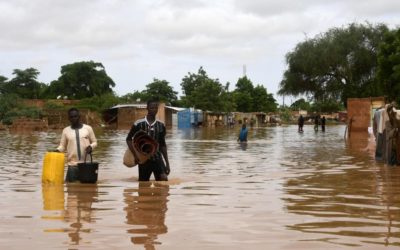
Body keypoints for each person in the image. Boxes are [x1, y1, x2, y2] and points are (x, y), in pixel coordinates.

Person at [126, 99, 170, 181]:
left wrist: (167, 163)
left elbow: (163, 144)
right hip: (143, 159)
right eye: (151, 108)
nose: (154, 110)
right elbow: (128, 139)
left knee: (164, 181)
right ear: (147, 108)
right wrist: (135, 155)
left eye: (155, 108)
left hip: (157, 158)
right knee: (143, 185)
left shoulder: (161, 125)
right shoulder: (138, 124)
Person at [56, 108, 98, 183]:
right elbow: (62, 146)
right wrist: (56, 150)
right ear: (69, 118)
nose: (73, 118)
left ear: (79, 116)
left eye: (75, 116)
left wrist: (91, 147)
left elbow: (95, 142)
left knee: (87, 191)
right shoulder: (65, 130)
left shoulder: (88, 128)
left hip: (86, 165)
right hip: (72, 165)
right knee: (71, 189)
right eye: (71, 117)